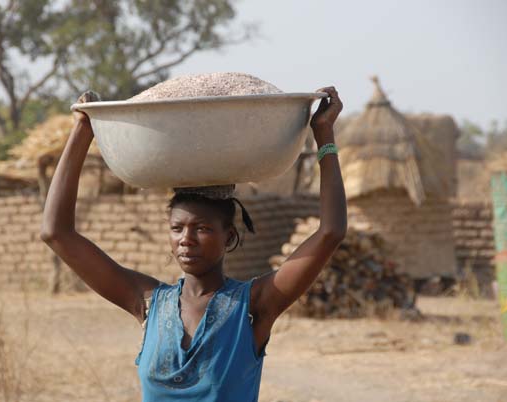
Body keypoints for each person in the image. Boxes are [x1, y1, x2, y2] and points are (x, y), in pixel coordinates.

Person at [40, 87, 347, 402]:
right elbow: (56, 233)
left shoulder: (253, 306)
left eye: (201, 228)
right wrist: (82, 130)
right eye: (177, 228)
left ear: (228, 237)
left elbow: (330, 232)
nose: (186, 239)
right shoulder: (147, 302)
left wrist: (324, 134)